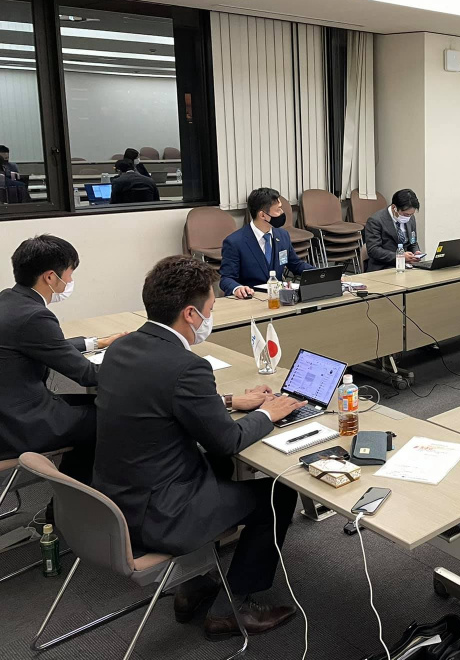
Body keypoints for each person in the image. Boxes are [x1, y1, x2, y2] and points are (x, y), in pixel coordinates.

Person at [93, 256, 306, 639]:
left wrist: (230, 401)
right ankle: (231, 610)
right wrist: (269, 413)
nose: (211, 315)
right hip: (160, 515)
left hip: (116, 498)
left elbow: (157, 400)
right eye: (210, 307)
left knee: (218, 470)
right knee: (278, 493)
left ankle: (193, 586)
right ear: (190, 314)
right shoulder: (187, 366)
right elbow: (227, 442)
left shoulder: (121, 349)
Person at [0, 236, 125, 489]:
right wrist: (142, 364)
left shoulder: (8, 299)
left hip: (10, 408)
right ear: (50, 277)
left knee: (97, 406)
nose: (70, 280)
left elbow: (44, 347)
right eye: (70, 273)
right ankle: (76, 496)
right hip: (20, 424)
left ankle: (70, 489)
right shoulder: (35, 316)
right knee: (112, 417)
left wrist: (97, 342)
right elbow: (88, 375)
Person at [220, 187, 311, 298]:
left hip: (278, 298)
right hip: (251, 299)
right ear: (263, 215)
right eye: (278, 210)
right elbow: (226, 278)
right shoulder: (234, 242)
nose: (282, 213)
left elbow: (296, 265)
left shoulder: (283, 236)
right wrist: (237, 288)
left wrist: (320, 273)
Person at [364, 188, 424, 271]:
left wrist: (416, 253)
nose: (408, 217)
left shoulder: (410, 218)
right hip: (384, 266)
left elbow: (413, 242)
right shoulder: (375, 221)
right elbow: (373, 250)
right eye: (405, 214)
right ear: (394, 208)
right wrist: (400, 256)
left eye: (411, 214)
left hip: (406, 265)